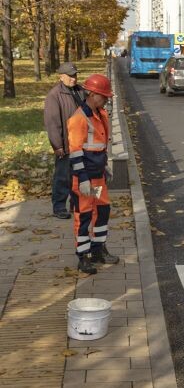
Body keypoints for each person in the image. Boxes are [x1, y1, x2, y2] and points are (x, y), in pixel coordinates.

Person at [67, 74, 119, 275]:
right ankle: (83, 256)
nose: (106, 99)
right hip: (84, 179)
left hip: (97, 177)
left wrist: (105, 167)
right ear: (92, 94)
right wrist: (82, 179)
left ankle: (98, 250)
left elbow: (101, 146)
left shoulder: (101, 114)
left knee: (102, 212)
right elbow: (75, 151)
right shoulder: (78, 119)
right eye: (103, 96)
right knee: (84, 216)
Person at [43, 62, 85, 219]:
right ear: (61, 76)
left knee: (79, 175)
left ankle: (77, 205)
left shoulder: (80, 90)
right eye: (70, 76)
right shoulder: (54, 96)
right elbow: (52, 123)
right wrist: (57, 145)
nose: (73, 79)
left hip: (81, 142)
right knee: (63, 177)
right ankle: (59, 207)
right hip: (66, 145)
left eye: (75, 75)